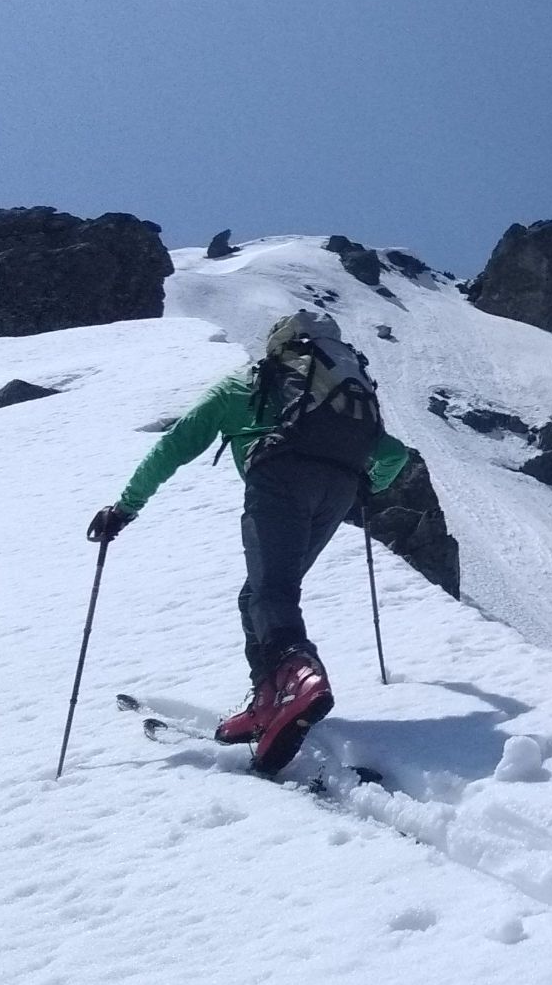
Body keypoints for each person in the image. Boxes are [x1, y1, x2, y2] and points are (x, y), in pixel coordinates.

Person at [87, 311, 413, 774]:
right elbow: (394, 454)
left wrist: (125, 507)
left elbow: (176, 445)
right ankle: (267, 700)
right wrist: (364, 487)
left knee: (270, 592)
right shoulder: (342, 393)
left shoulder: (246, 384)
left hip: (279, 481)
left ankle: (300, 679)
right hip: (338, 490)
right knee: (259, 594)